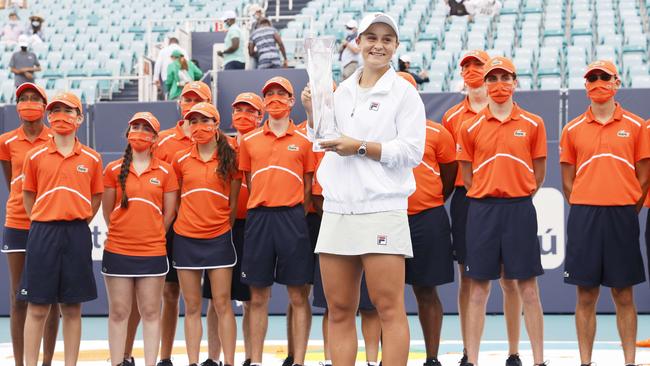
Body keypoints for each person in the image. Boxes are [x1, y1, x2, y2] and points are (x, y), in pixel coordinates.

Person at [301, 12, 425, 365]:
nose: (378, 45)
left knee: (389, 308)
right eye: (371, 37)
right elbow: (323, 141)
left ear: (396, 46)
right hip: (339, 210)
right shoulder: (340, 92)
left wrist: (360, 146)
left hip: (381, 210)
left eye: (387, 39)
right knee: (339, 310)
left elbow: (412, 153)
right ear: (359, 43)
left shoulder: (404, 93)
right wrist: (313, 113)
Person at [456, 56, 547, 366]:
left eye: (504, 78)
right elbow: (467, 177)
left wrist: (516, 191)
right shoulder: (469, 127)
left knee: (528, 288)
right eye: (492, 79)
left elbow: (539, 173)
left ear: (515, 82)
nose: (498, 85)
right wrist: (488, 191)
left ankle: (537, 360)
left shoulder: (534, 123)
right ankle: (473, 360)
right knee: (478, 288)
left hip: (519, 209)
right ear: (485, 83)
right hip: (482, 211)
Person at [560, 60, 649, 366]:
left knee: (624, 295)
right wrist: (587, 202)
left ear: (616, 82)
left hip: (621, 217)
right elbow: (568, 181)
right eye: (592, 77)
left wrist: (625, 206)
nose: (598, 82)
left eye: (604, 77)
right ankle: (586, 362)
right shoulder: (571, 129)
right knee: (586, 295)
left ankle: (629, 362)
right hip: (585, 217)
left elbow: (644, 176)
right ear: (586, 85)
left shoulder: (637, 126)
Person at [442, 50, 526, 366]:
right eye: (467, 66)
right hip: (469, 201)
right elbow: (452, 166)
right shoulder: (452, 117)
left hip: (504, 200)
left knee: (511, 279)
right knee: (469, 277)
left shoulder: (509, 113)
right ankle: (468, 351)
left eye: (478, 65)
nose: (472, 71)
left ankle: (514, 351)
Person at [20, 92, 103, 366]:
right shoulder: (34, 156)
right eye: (55, 111)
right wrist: (44, 218)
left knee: (72, 307)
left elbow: (96, 197)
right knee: (38, 307)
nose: (61, 116)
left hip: (77, 234)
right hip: (43, 233)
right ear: (48, 116)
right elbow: (29, 196)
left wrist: (77, 220)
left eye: (68, 111)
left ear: (79, 118)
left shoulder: (92, 158)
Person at [239, 76, 315, 366]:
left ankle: (298, 361)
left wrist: (291, 205)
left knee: (298, 295)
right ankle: (256, 361)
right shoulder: (249, 141)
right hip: (259, 219)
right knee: (258, 296)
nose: (275, 98)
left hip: (292, 219)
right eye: (269, 94)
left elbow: (308, 185)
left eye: (281, 94)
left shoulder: (304, 142)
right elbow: (248, 179)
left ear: (292, 101)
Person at [102, 112, 178, 366]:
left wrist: (153, 233)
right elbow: (107, 210)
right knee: (119, 312)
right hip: (118, 250)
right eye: (135, 126)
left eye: (146, 128)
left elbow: (169, 214)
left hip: (152, 252)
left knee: (150, 312)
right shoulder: (112, 170)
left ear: (155, 138)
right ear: (127, 132)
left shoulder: (166, 172)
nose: (140, 131)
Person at [200, 92, 266, 366]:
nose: (243, 115)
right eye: (238, 110)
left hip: (253, 226)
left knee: (251, 297)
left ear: (259, 117)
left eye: (250, 111)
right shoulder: (221, 145)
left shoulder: (263, 144)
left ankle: (251, 358)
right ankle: (213, 358)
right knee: (217, 298)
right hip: (222, 227)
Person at [172, 102, 239, 366]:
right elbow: (176, 199)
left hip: (219, 238)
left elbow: (233, 203)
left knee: (222, 305)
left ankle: (230, 361)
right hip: (186, 239)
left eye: (204, 121)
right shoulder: (180, 160)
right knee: (190, 307)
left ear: (216, 124)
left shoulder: (230, 157)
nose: (199, 127)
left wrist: (219, 224)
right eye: (194, 121)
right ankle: (192, 362)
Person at [398, 71, 458, 366]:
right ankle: (393, 358)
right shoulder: (377, 135)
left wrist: (430, 200)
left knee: (426, 289)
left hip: (427, 218)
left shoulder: (436, 132)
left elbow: (449, 176)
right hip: (388, 218)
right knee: (388, 295)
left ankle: (432, 358)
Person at [0, 82, 59, 366]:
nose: (28, 102)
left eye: (34, 98)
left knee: (49, 297)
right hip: (17, 223)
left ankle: (47, 361)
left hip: (48, 223)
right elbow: (12, 180)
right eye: (23, 98)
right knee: (18, 297)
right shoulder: (7, 141)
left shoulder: (55, 138)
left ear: (45, 105)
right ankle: (21, 363)